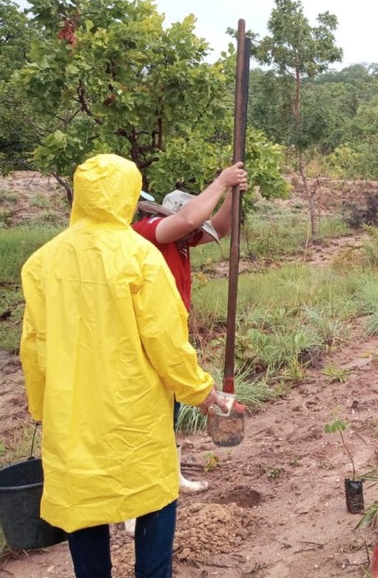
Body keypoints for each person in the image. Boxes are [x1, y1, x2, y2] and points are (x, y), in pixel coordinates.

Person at [20, 153, 228, 578]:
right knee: (152, 494)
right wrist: (200, 391)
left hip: (72, 411)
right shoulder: (140, 257)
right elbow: (166, 342)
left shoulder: (42, 262)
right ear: (129, 195)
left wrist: (42, 409)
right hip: (133, 411)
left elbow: (34, 348)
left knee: (84, 501)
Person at [132, 162, 248, 493]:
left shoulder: (181, 239)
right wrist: (221, 180)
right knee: (149, 415)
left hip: (170, 329)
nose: (195, 234)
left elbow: (219, 228)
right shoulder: (148, 230)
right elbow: (187, 220)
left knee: (171, 408)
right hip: (147, 334)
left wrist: (231, 195)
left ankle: (171, 476)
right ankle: (139, 495)